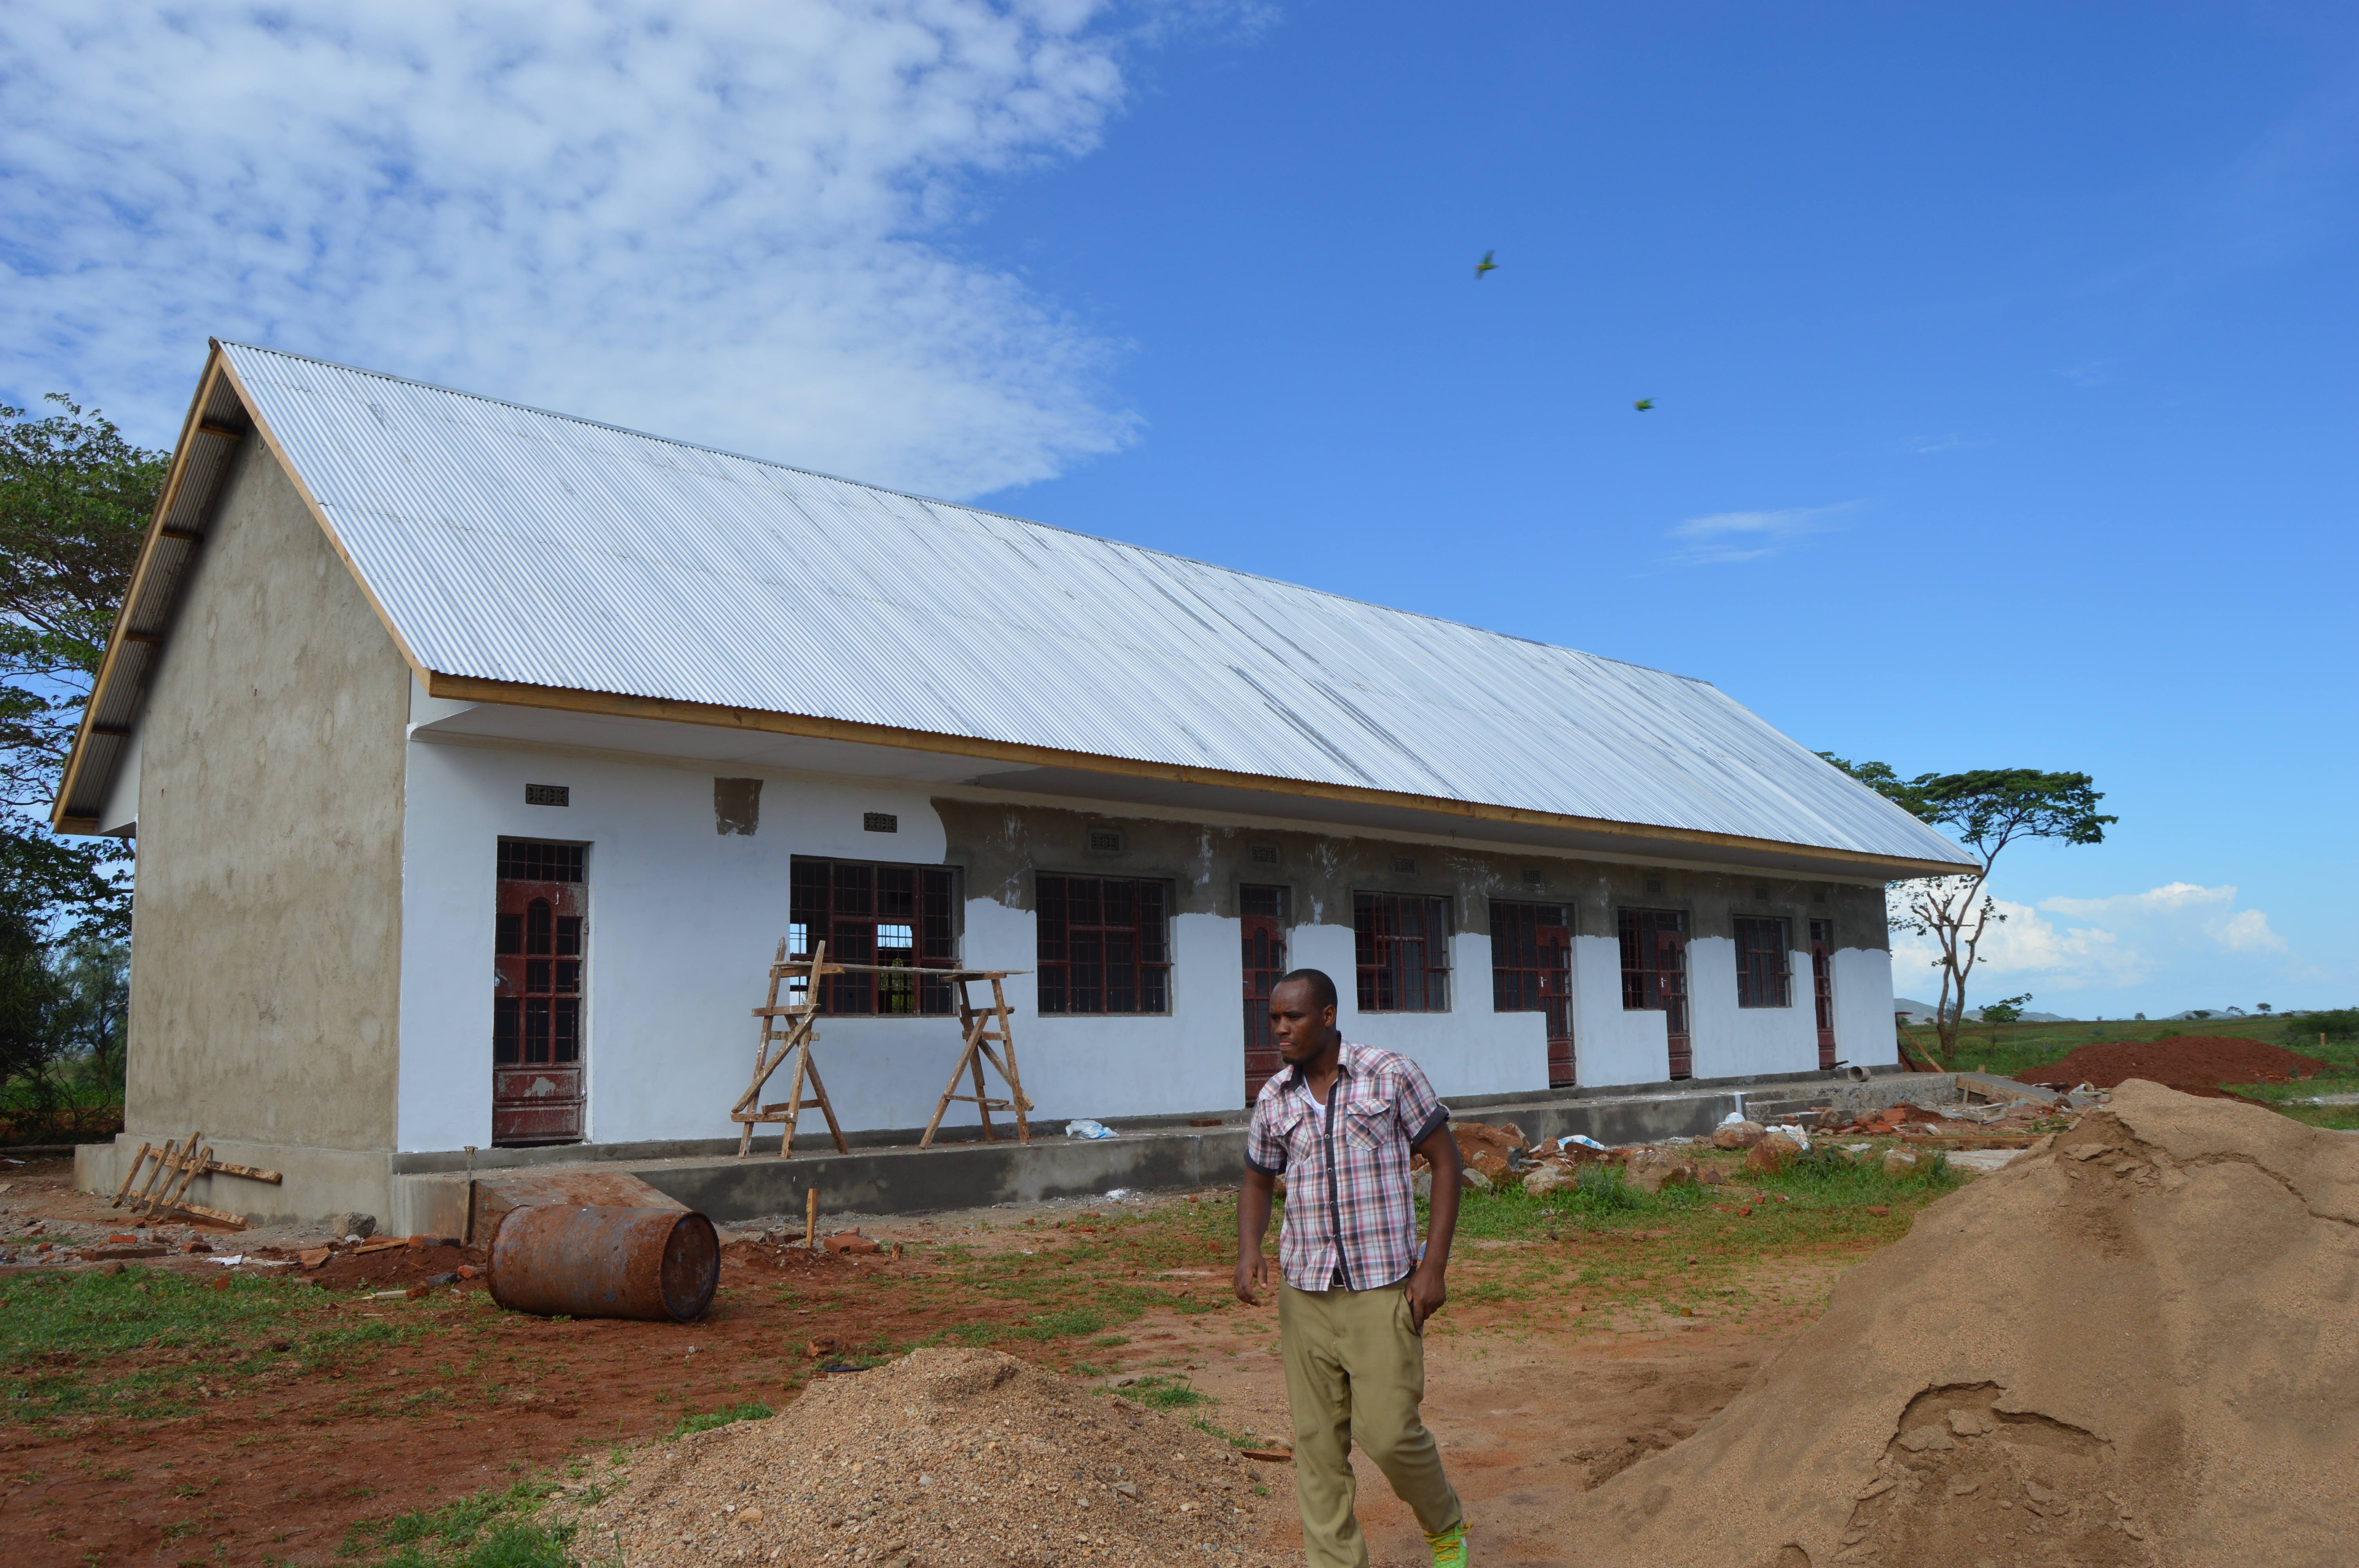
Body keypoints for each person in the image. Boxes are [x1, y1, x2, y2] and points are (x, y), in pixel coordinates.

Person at [1234, 967, 1469, 1568]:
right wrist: (1248, 1250)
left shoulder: (1389, 1075)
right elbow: (1259, 1179)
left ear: (1329, 1016)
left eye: (1294, 1018)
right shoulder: (1274, 1097)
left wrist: (1433, 1265)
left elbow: (1446, 1160)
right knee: (1317, 1447)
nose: (1280, 1029)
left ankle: (1444, 1525)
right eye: (1274, 1019)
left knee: (1390, 1433)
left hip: (1381, 1289)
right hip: (1305, 1293)